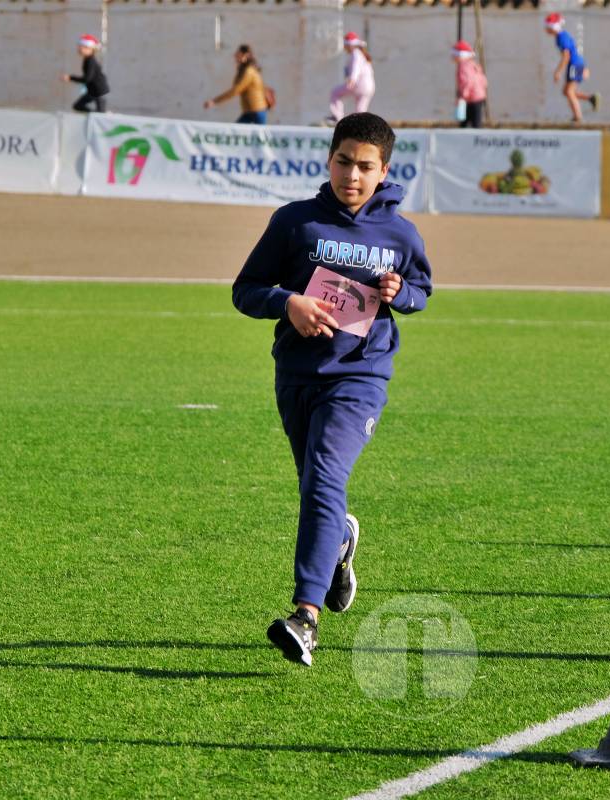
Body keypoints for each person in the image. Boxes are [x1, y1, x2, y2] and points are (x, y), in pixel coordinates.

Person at [232, 112, 433, 667]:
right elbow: (245, 290)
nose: (353, 174)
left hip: (360, 379)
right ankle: (340, 537)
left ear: (383, 170)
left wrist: (399, 293)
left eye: (366, 166)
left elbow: (422, 290)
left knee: (323, 477)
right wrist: (287, 303)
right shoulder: (295, 223)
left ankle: (306, 616)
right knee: (316, 490)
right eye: (344, 161)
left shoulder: (400, 234)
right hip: (297, 375)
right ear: (329, 159)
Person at [544, 13, 599, 123]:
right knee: (566, 91)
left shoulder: (561, 37)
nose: (545, 30)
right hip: (576, 64)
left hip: (575, 65)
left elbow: (566, 56)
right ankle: (591, 98)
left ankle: (578, 118)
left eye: (547, 27)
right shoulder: (562, 36)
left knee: (569, 92)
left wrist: (558, 72)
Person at [203, 44, 270, 124]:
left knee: (258, 135)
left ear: (245, 55)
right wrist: (238, 68)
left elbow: (235, 90)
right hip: (249, 111)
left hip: (256, 111)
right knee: (236, 132)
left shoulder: (249, 71)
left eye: (238, 54)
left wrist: (214, 101)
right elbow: (235, 85)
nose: (235, 56)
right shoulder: (244, 70)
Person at [328, 32, 375, 123]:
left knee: (335, 92)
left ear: (349, 45)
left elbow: (355, 67)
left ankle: (337, 116)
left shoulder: (356, 53)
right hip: (369, 87)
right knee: (361, 109)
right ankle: (361, 124)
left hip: (358, 84)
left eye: (345, 45)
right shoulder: (362, 54)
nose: (345, 48)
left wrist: (352, 79)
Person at [60, 34, 109, 113]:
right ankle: (94, 116)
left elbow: (87, 79)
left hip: (98, 91)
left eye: (83, 47)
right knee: (78, 106)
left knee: (100, 114)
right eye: (80, 46)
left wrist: (70, 78)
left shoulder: (90, 61)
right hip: (92, 91)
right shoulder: (87, 60)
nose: (80, 49)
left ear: (91, 49)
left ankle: (97, 116)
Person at [452, 40, 487, 129]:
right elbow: (483, 80)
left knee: (468, 123)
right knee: (473, 122)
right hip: (478, 96)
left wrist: (463, 96)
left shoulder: (463, 66)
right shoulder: (473, 64)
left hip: (471, 98)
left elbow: (467, 82)